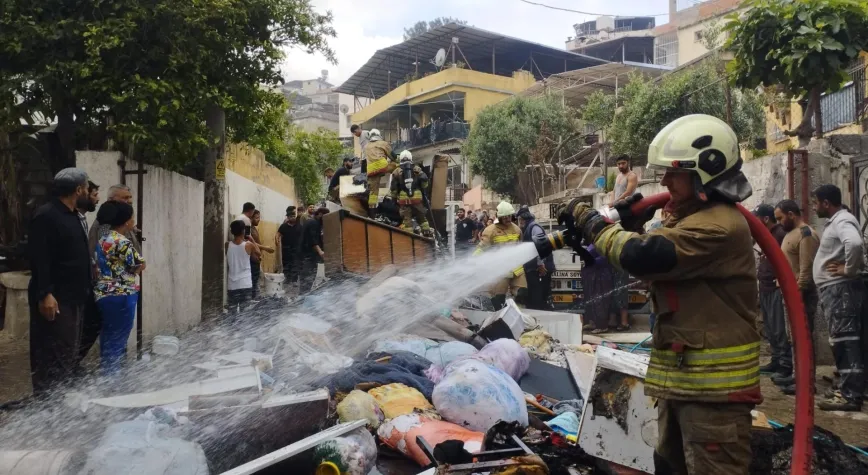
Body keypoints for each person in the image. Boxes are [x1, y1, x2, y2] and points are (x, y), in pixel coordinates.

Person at [556, 114, 760, 474]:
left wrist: (594, 224)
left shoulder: (718, 226)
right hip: (684, 386)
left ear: (703, 175)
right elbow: (656, 247)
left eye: (673, 173)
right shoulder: (693, 217)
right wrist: (631, 220)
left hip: (713, 398)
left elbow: (642, 255)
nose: (664, 181)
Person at [28, 168, 94, 396]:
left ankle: (60, 405)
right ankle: (47, 410)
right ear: (78, 190)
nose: (88, 192)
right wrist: (45, 293)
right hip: (56, 300)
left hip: (74, 297)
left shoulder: (72, 215)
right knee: (52, 356)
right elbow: (40, 258)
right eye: (86, 188)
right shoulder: (47, 216)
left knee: (67, 355)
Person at [811, 184, 865, 412]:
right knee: (847, 340)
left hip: (839, 289)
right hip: (835, 289)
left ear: (826, 203)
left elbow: (854, 243)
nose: (814, 207)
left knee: (845, 341)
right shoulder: (837, 221)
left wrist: (848, 270)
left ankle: (850, 395)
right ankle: (853, 389)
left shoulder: (842, 220)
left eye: (816, 202)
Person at [772, 199, 820, 395]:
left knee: (803, 337)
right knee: (794, 339)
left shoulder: (806, 234)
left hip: (800, 296)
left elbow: (805, 269)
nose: (779, 222)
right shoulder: (790, 234)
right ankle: (798, 375)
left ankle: (807, 381)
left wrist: (797, 296)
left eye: (780, 218)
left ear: (791, 214)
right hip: (789, 295)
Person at [93, 200, 145, 375]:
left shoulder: (103, 240)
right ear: (126, 221)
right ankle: (112, 384)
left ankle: (107, 377)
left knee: (108, 340)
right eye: (132, 218)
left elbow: (108, 267)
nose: (134, 221)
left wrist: (122, 273)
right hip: (122, 295)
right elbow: (140, 264)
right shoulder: (122, 242)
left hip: (104, 294)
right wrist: (129, 275)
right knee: (118, 342)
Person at [751, 204, 790, 382]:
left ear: (765, 219)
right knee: (771, 328)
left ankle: (784, 365)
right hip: (765, 286)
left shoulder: (780, 234)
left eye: (756, 218)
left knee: (778, 327)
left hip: (775, 288)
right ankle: (775, 360)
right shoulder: (767, 235)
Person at [474, 201, 527, 310]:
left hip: (516, 269)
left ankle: (519, 316)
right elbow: (482, 247)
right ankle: (500, 318)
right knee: (498, 300)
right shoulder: (490, 230)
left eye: (509, 216)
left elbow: (520, 246)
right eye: (505, 217)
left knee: (522, 294)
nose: (508, 219)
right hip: (500, 270)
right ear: (499, 217)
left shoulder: (517, 229)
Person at [517, 207, 555, 310]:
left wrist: (540, 264)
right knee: (535, 296)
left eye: (519, 220)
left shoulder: (534, 228)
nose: (519, 223)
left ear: (522, 219)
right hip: (534, 269)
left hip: (540, 269)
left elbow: (540, 246)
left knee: (537, 296)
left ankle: (540, 316)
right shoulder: (529, 227)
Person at [88, 184, 141, 256]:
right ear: (111, 200)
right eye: (125, 198)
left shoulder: (122, 219)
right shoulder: (105, 223)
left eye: (130, 197)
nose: (130, 201)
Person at [390, 150, 431, 236]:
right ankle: (427, 233)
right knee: (422, 219)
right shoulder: (417, 169)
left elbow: (393, 188)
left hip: (404, 200)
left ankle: (409, 238)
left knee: (407, 221)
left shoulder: (396, 171)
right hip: (417, 199)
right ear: (411, 158)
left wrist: (393, 199)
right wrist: (423, 191)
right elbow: (425, 181)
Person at [226, 219, 260, 314]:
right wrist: (252, 239)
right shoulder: (249, 245)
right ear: (243, 231)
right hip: (245, 284)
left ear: (232, 232)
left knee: (232, 313)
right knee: (245, 314)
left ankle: (231, 328)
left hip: (232, 285)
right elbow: (258, 253)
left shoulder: (227, 245)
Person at [580, 244, 616, 333]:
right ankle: (592, 322)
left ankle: (602, 326)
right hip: (592, 275)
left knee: (599, 301)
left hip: (601, 276)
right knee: (591, 300)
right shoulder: (593, 244)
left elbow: (605, 258)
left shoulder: (603, 244)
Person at [363, 129, 394, 218]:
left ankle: (372, 214)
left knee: (373, 192)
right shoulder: (383, 143)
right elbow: (393, 156)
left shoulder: (366, 146)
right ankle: (393, 190)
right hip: (383, 167)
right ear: (379, 135)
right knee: (398, 166)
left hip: (371, 170)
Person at [300, 208, 329, 293]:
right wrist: (320, 251)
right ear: (320, 214)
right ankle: (301, 301)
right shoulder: (313, 223)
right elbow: (312, 239)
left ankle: (303, 298)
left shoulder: (314, 223)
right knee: (307, 280)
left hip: (308, 256)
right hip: (307, 257)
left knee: (308, 280)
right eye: (325, 216)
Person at [249, 210, 275, 299]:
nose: (258, 220)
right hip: (252, 259)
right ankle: (254, 300)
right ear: (250, 218)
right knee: (254, 281)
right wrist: (265, 248)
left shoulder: (254, 228)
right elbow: (251, 243)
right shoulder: (249, 230)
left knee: (258, 280)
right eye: (256, 218)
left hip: (257, 258)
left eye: (259, 217)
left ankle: (256, 299)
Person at [276, 206, 303, 290]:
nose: (293, 218)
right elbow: (278, 233)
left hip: (296, 248)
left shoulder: (299, 226)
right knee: (286, 264)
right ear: (287, 217)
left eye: (294, 216)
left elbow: (303, 235)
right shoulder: (283, 226)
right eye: (291, 216)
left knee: (295, 264)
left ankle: (294, 280)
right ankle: (287, 279)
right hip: (286, 248)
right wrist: (276, 240)